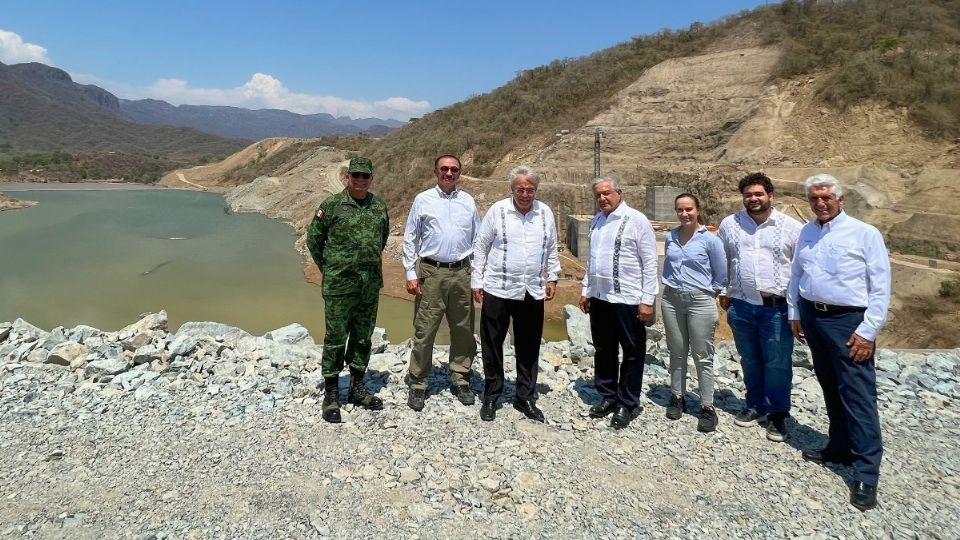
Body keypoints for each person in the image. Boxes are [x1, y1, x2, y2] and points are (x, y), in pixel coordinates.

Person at [788, 173, 890, 512]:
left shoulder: (864, 233)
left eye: (826, 198)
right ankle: (840, 447)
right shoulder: (808, 231)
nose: (820, 203)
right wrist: (795, 311)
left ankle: (866, 472)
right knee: (831, 386)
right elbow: (797, 275)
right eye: (814, 198)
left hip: (849, 321)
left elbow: (880, 285)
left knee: (858, 394)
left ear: (840, 200)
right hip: (813, 317)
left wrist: (868, 330)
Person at [717, 173, 803, 442]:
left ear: (770, 196)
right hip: (741, 305)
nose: (753, 199)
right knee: (749, 358)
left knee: (777, 362)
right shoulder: (730, 224)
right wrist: (723, 291)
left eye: (758, 194)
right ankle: (755, 405)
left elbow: (800, 268)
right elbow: (723, 260)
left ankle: (778, 414)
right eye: (748, 195)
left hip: (776, 308)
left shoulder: (791, 227)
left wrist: (797, 308)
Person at [471, 165, 560, 422]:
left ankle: (524, 397)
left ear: (536, 190)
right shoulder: (498, 211)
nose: (525, 194)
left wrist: (552, 276)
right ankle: (491, 395)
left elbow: (551, 246)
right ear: (512, 189)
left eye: (530, 189)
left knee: (529, 345)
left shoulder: (545, 213)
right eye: (520, 189)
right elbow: (481, 246)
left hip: (531, 290)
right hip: (498, 288)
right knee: (492, 344)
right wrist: (477, 280)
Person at [306, 157, 388, 423]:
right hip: (339, 285)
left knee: (363, 337)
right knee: (335, 338)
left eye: (365, 176)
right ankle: (331, 394)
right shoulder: (331, 206)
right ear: (347, 177)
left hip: (369, 284)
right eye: (356, 176)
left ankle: (357, 387)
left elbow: (382, 238)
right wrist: (329, 268)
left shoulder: (378, 206)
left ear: (371, 179)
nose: (361, 181)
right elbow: (314, 239)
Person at [402, 155, 481, 411]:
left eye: (454, 169)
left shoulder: (468, 201)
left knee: (463, 328)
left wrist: (478, 277)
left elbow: (478, 240)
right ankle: (418, 382)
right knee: (425, 329)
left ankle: (460, 376)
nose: (449, 173)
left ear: (460, 173)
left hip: (462, 272)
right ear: (436, 171)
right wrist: (409, 273)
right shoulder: (423, 199)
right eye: (444, 169)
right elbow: (410, 237)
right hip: (431, 272)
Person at [578, 177, 658, 429]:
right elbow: (592, 260)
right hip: (601, 298)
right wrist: (586, 289)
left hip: (629, 300)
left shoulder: (636, 220)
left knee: (632, 353)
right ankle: (608, 395)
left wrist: (647, 300)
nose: (602, 198)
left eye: (607, 193)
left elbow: (650, 261)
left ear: (619, 193)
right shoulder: (597, 221)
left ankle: (627, 402)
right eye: (598, 195)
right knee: (604, 349)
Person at [660, 193, 727, 433]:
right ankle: (677, 396)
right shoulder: (671, 237)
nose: (684, 214)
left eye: (689, 209)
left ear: (697, 210)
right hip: (671, 299)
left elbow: (721, 274)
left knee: (702, 355)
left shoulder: (710, 240)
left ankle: (707, 406)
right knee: (676, 351)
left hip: (700, 301)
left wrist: (708, 295)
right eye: (680, 210)